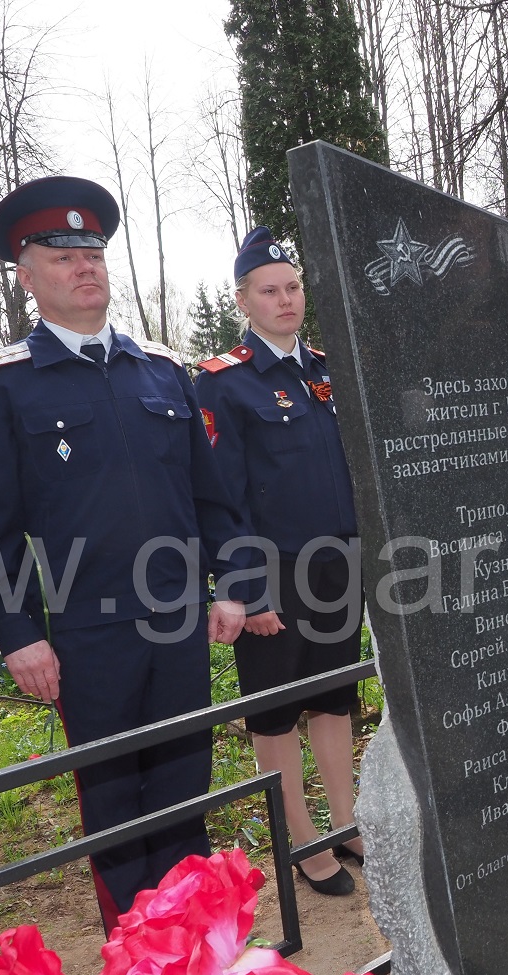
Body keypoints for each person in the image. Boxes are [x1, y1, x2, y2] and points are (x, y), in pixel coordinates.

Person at [0, 176, 263, 932]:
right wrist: (19, 633)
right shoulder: (1, 385)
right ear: (27, 278)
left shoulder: (160, 372)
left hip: (179, 620)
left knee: (186, 784)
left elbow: (211, 495)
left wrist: (235, 586)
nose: (85, 266)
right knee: (115, 800)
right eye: (61, 256)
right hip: (86, 630)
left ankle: (197, 942)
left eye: (93, 252)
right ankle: (137, 956)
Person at [194, 229, 364, 897]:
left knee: (333, 698)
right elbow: (221, 496)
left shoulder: (326, 371)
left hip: (338, 563)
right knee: (275, 712)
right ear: (244, 299)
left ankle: (344, 824)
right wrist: (245, 587)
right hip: (274, 574)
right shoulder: (225, 383)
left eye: (293, 286)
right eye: (270, 289)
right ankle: (302, 839)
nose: (286, 299)